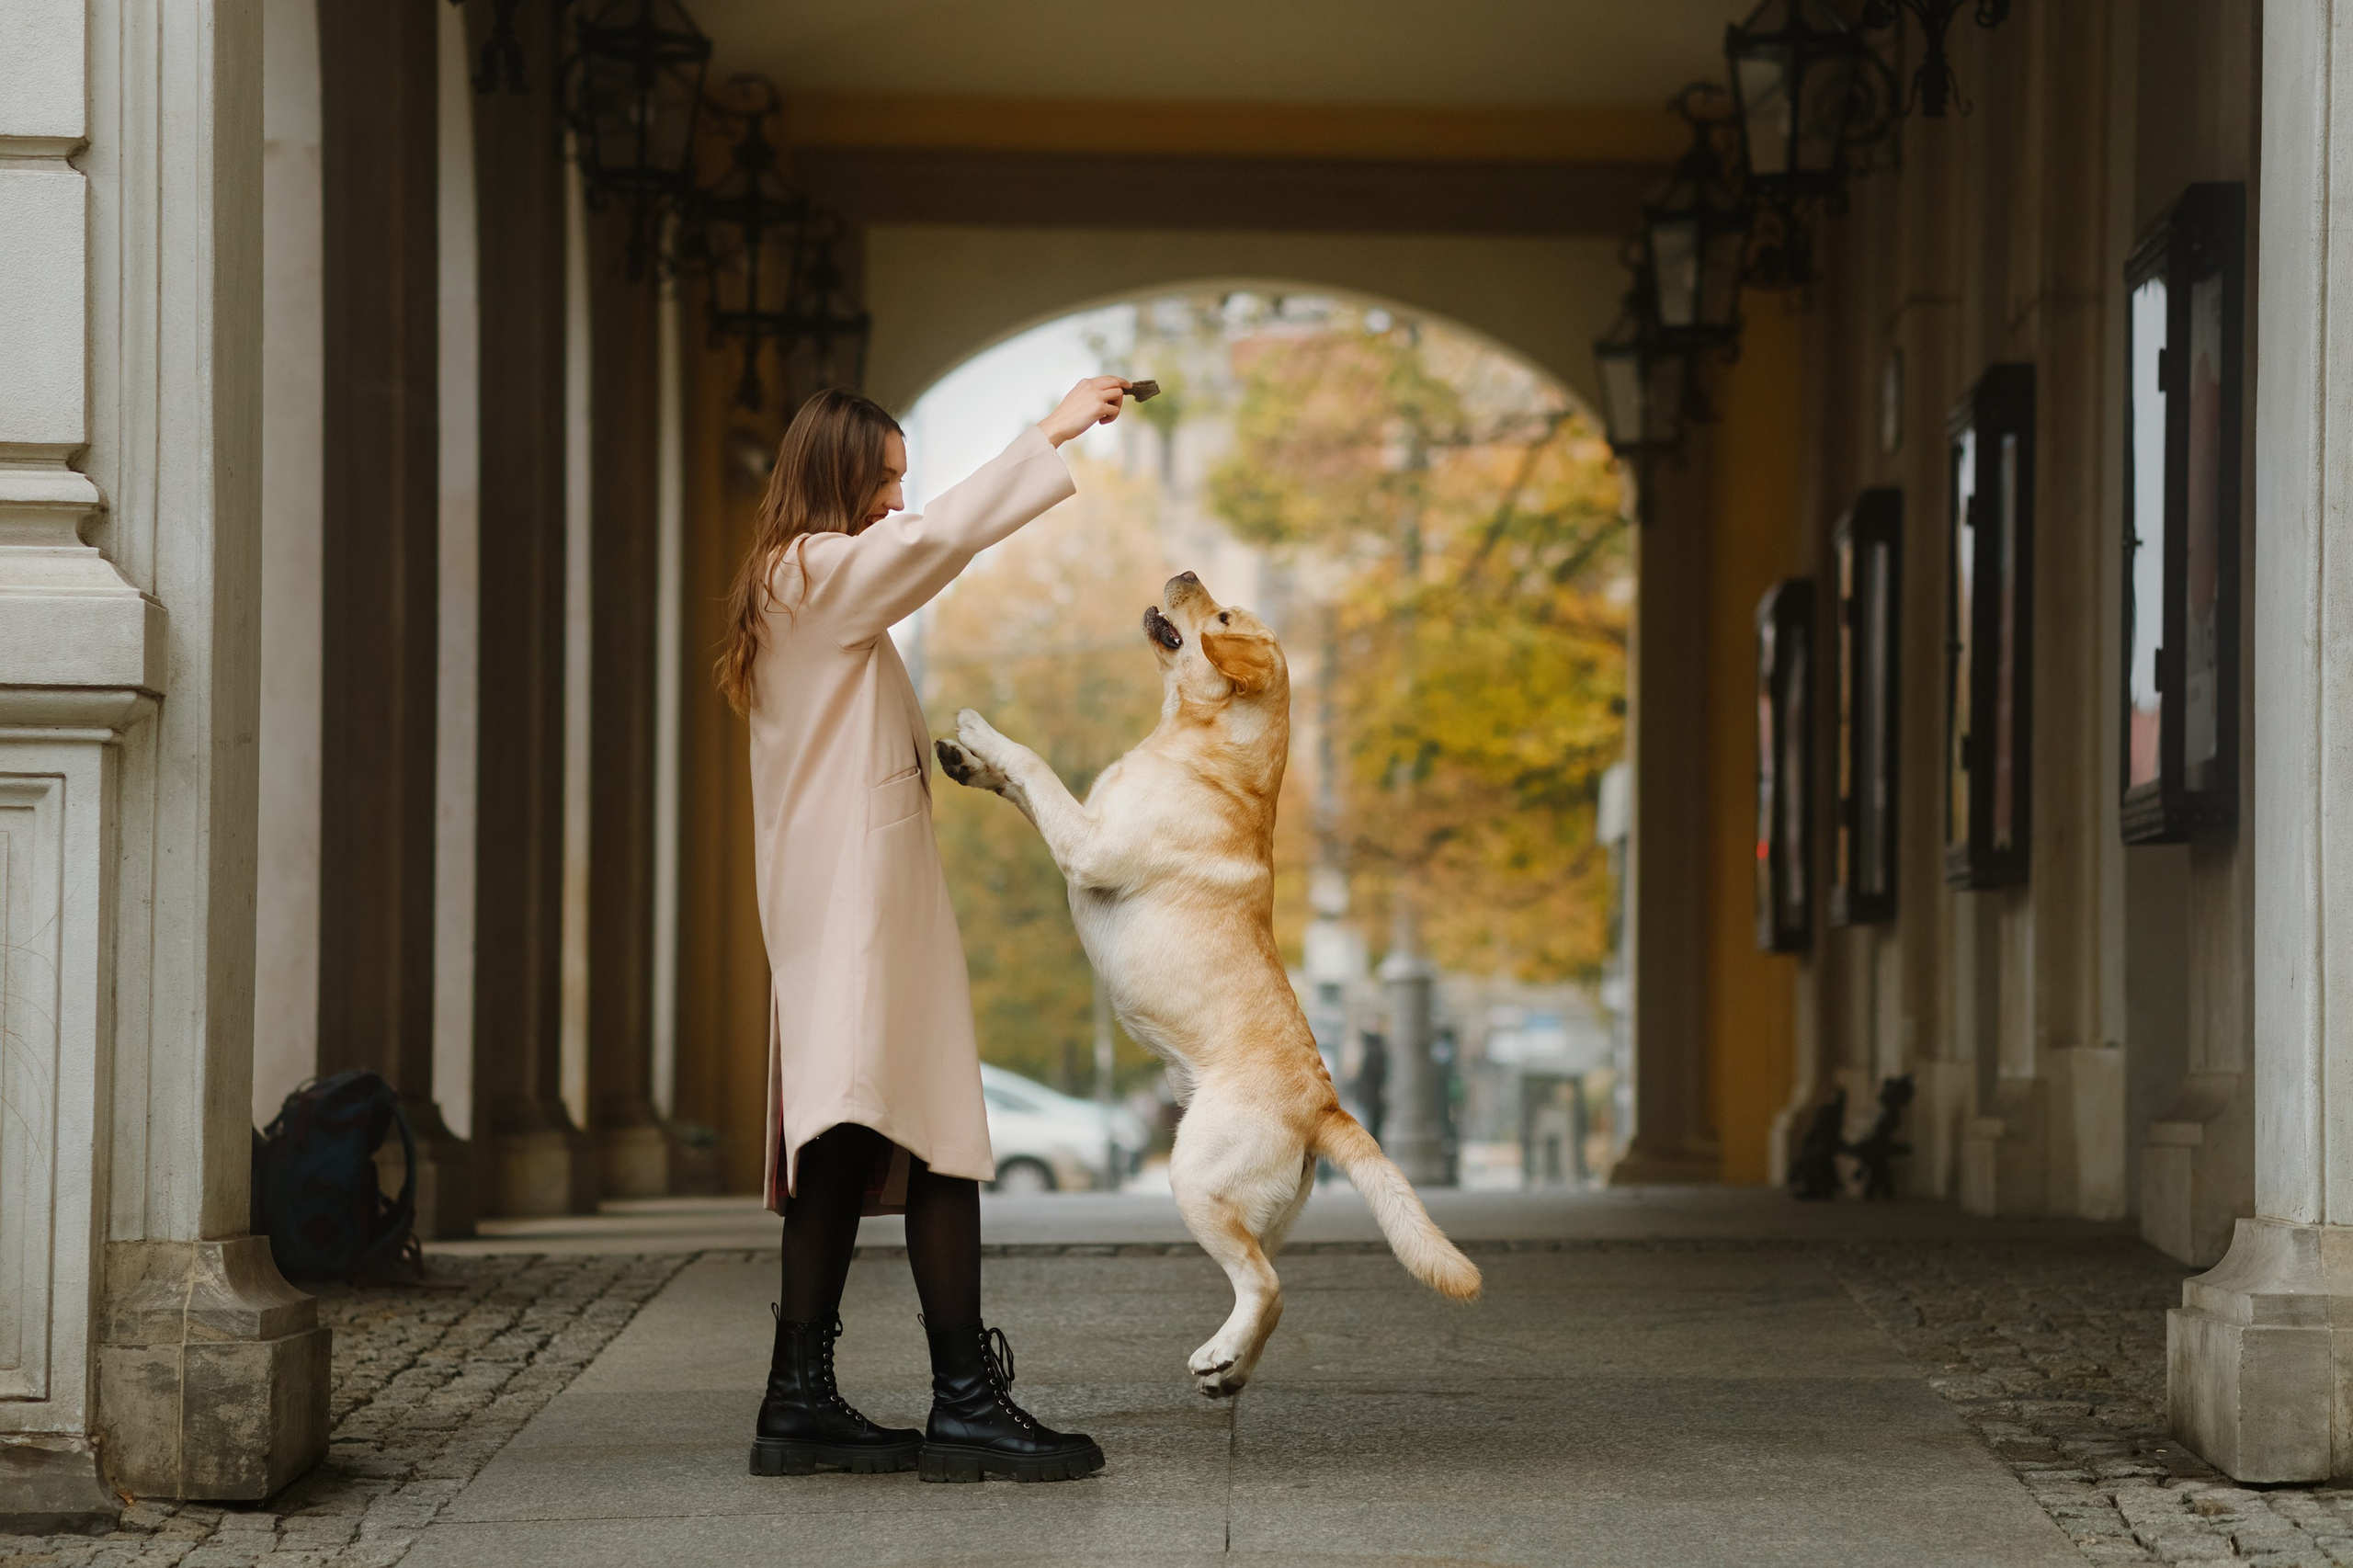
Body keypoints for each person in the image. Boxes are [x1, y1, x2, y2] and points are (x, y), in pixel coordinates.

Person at [716, 376, 1129, 1484]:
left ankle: (798, 1399)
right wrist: (1047, 431)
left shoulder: (803, 585)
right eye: (884, 479)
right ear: (837, 480)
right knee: (936, 1128)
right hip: (857, 903)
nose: (901, 500)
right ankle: (965, 1400)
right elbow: (947, 536)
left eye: (903, 478)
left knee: (844, 1143)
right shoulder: (812, 572)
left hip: (853, 898)